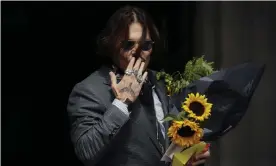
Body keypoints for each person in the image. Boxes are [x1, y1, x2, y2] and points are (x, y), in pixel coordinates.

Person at [67, 5, 210, 166]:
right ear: (112, 45)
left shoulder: (161, 81)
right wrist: (121, 103)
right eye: (128, 45)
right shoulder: (89, 90)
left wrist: (187, 157)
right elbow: (86, 152)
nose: (137, 52)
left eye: (146, 45)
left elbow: (165, 147)